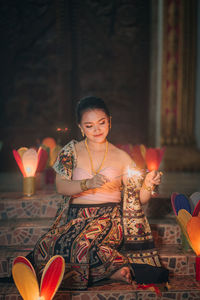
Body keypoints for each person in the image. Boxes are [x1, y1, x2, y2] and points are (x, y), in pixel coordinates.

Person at [33, 96, 169, 290]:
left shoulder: (122, 157)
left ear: (109, 122)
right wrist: (88, 183)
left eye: (101, 123)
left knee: (81, 245)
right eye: (89, 126)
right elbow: (61, 187)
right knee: (46, 246)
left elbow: (139, 199)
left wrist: (147, 184)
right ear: (80, 127)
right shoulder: (70, 151)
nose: (96, 130)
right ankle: (114, 268)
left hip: (109, 219)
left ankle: (112, 269)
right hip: (76, 218)